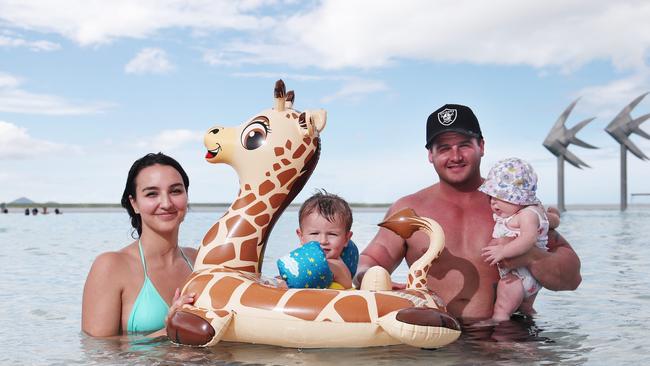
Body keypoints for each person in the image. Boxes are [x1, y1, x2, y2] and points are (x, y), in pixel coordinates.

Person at [353, 104, 581, 322]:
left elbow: (572, 279)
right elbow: (370, 260)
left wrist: (531, 255)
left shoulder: (514, 204)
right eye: (444, 148)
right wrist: (372, 279)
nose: (455, 156)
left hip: (508, 336)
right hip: (435, 336)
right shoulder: (409, 209)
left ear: (481, 146)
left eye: (464, 145)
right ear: (430, 155)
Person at [82, 153, 198, 336]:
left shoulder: (200, 261)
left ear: (187, 196)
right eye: (152, 194)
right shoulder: (111, 266)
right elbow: (98, 352)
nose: (166, 203)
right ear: (134, 203)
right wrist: (168, 331)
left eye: (175, 191)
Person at [478, 157, 560, 322]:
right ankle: (528, 338)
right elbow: (552, 221)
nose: (494, 203)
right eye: (491, 198)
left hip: (519, 275)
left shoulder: (526, 215)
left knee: (502, 308)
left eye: (500, 197)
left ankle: (497, 324)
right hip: (532, 279)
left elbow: (528, 239)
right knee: (525, 309)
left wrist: (503, 250)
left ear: (519, 198)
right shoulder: (536, 211)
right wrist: (555, 216)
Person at [278, 190, 355, 289]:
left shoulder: (335, 266)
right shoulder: (304, 263)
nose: (323, 241)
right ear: (301, 236)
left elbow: (286, 286)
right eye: (314, 233)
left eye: (332, 234)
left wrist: (276, 285)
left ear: (346, 239)